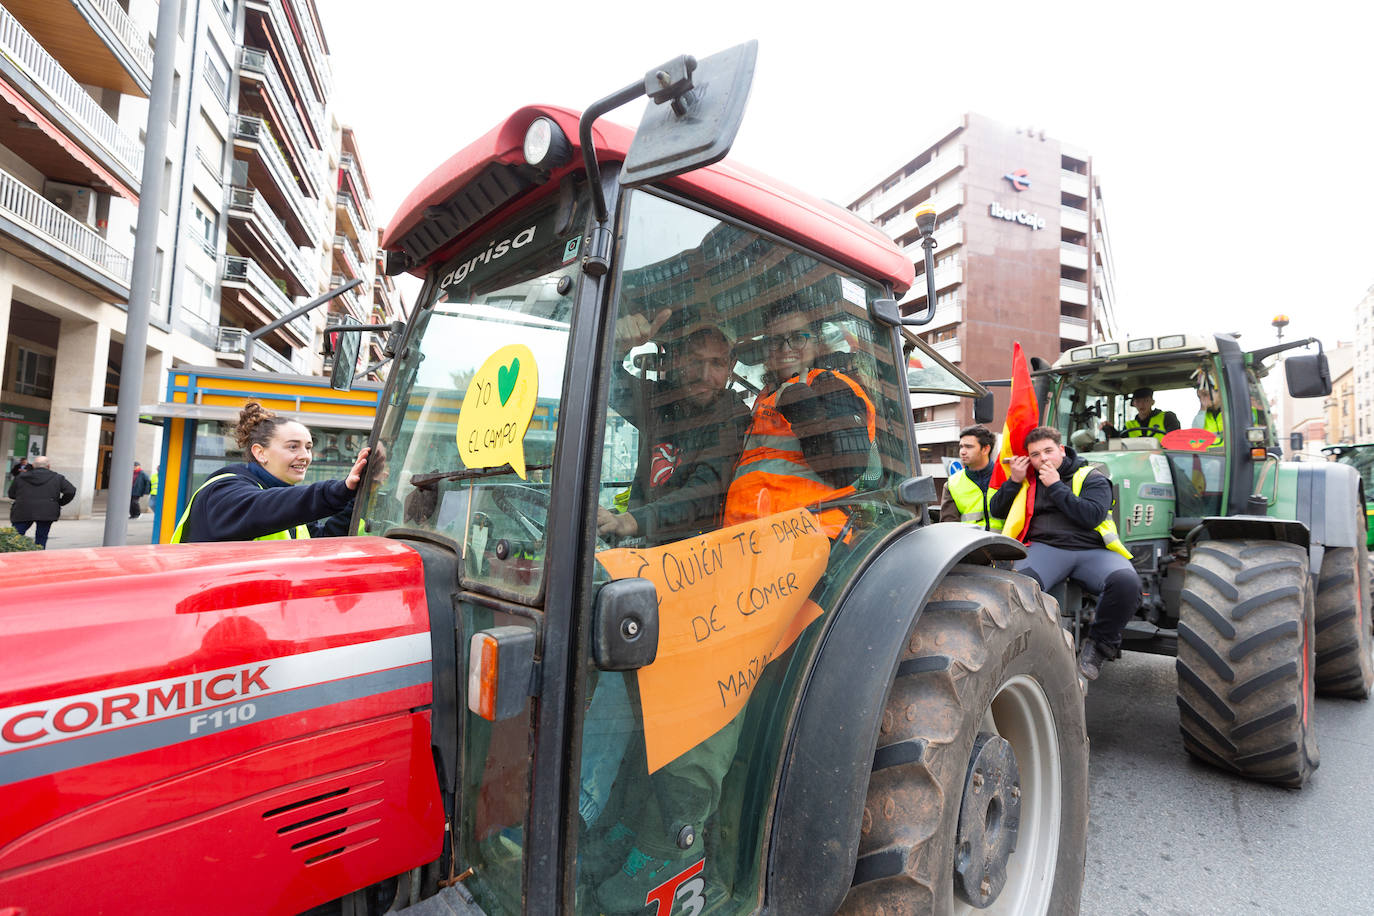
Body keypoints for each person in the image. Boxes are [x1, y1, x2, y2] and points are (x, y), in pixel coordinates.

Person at [989, 426, 1139, 681]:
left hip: (1091, 549)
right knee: (1018, 587)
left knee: (1127, 583)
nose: (1043, 459)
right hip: (1047, 548)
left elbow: (1091, 516)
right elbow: (997, 510)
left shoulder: (1091, 476)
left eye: (1048, 451)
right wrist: (1013, 481)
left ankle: (1099, 646)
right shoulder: (1028, 480)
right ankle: (1023, 655)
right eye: (1035, 455)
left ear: (1061, 450)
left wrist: (1056, 486)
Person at [596, 306, 750, 545]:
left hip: (695, 558)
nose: (705, 375)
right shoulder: (661, 401)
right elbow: (607, 384)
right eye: (695, 360)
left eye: (717, 363)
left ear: (731, 367)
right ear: (677, 359)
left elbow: (703, 494)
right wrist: (616, 349)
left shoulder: (733, 415)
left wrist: (629, 521)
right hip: (644, 546)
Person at [724, 298, 876, 538]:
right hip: (751, 542)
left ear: (816, 343)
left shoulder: (830, 385)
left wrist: (805, 410)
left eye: (797, 338)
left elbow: (847, 467)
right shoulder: (765, 396)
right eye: (776, 341)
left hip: (810, 541)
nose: (786, 349)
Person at [171, 401, 368, 543]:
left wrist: (358, 495)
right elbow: (262, 506)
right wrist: (339, 490)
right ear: (260, 452)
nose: (305, 456)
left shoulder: (287, 504)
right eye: (293, 447)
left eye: (308, 447)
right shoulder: (223, 492)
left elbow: (320, 543)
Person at [7, 455, 76, 548]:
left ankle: (13, 557)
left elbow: (11, 494)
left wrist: (22, 498)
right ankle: (38, 556)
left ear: (34, 465)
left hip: (23, 509)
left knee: (15, 537)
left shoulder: (21, 477)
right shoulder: (57, 478)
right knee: (41, 538)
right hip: (47, 511)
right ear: (48, 466)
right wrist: (60, 502)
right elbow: (71, 491)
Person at [940, 424, 1001, 529]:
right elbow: (949, 528)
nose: (962, 452)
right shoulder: (952, 484)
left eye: (969, 447)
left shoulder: (1006, 477)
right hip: (971, 544)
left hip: (1007, 544)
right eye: (961, 447)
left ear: (985, 449)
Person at [1103, 387, 1179, 440]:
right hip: (1136, 461)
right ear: (1134, 403)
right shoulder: (1129, 425)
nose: (1142, 405)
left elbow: (1174, 439)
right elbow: (1119, 443)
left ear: (1152, 402)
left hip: (1163, 459)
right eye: (1138, 401)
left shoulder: (1167, 417)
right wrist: (1110, 430)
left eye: (1146, 400)